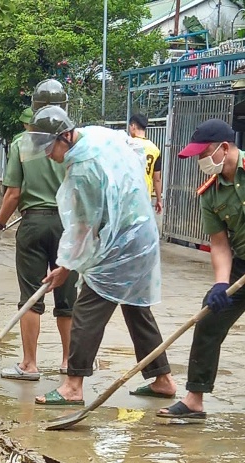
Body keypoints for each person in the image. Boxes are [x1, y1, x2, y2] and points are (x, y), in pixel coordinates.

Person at [28, 106, 176, 405]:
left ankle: (72, 385)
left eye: (50, 147)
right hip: (140, 232)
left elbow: (82, 226)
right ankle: (162, 379)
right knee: (137, 307)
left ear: (65, 136)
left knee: (88, 308)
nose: (48, 155)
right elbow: (132, 148)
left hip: (122, 242)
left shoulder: (82, 166)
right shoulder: (96, 136)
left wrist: (66, 267)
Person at [0, 80, 77, 379]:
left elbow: (12, 194)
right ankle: (68, 361)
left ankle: (29, 364)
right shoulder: (76, 141)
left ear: (34, 109)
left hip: (33, 224)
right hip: (68, 225)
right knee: (67, 298)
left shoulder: (22, 143)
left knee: (31, 296)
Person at [159, 119, 245, 421]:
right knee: (209, 320)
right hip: (240, 266)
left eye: (203, 153)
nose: (200, 161)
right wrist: (221, 283)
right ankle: (195, 399)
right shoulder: (210, 193)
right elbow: (220, 243)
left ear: (224, 147)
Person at [128, 113, 163, 214]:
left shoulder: (127, 144)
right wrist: (159, 200)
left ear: (133, 126)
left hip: (127, 197)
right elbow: (157, 179)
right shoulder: (154, 149)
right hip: (144, 198)